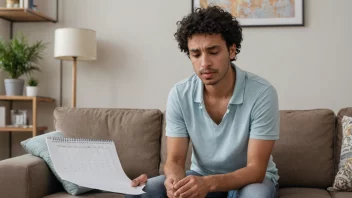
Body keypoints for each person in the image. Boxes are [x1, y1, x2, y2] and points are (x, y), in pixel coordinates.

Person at [126, 5, 280, 198]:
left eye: (213, 52)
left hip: (250, 181)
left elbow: (256, 170)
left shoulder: (262, 93)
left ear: (232, 51)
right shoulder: (180, 94)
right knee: (138, 193)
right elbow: (174, 160)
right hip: (201, 176)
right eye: (196, 54)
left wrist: (208, 184)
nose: (204, 63)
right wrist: (174, 183)